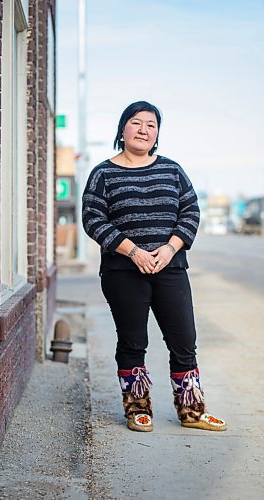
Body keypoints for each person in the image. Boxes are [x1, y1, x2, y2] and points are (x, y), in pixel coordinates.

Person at [82, 100, 227, 433]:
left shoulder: (172, 170)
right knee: (133, 341)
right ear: (122, 129)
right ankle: (137, 408)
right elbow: (93, 219)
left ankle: (191, 411)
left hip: (171, 268)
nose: (143, 129)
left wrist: (170, 247)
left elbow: (190, 213)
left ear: (157, 133)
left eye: (151, 124)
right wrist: (134, 252)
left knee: (184, 340)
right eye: (136, 122)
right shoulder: (103, 173)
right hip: (123, 273)